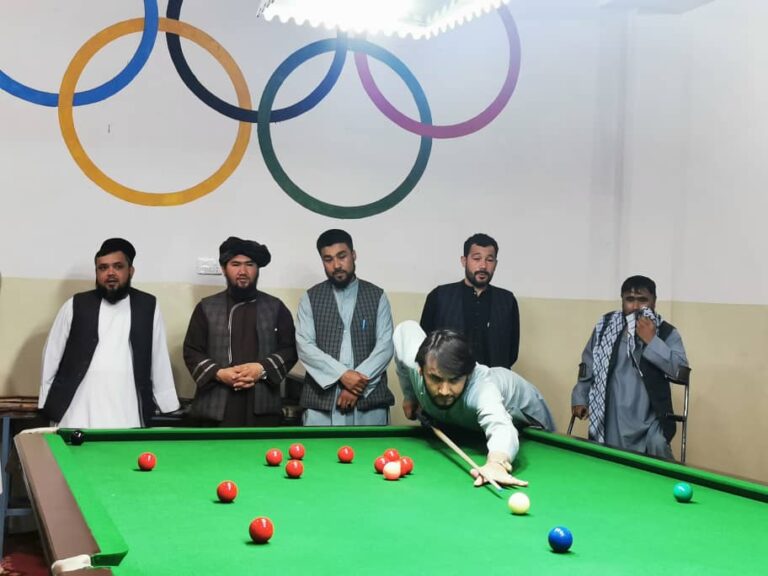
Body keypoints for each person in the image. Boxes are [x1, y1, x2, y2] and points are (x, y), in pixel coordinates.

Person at [394, 320, 555, 487]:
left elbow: (501, 426)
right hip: (473, 422)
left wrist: (497, 463)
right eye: (435, 379)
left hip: (524, 413)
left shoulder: (482, 389)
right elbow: (405, 329)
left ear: (468, 375)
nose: (444, 391)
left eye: (454, 380)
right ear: (420, 370)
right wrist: (410, 395)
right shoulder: (414, 361)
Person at [39, 238, 179, 428]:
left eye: (118, 266)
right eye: (103, 268)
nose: (110, 273)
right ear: (96, 273)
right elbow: (52, 355)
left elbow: (158, 356)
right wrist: (47, 401)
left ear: (131, 271)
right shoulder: (75, 304)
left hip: (127, 407)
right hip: (76, 409)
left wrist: (166, 402)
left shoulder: (148, 306)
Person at [571, 275, 690, 459]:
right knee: (609, 460)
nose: (635, 306)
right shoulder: (606, 327)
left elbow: (681, 372)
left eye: (642, 300)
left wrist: (652, 341)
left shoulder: (666, 332)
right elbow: (588, 363)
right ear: (622, 301)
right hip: (611, 413)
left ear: (654, 302)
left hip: (650, 419)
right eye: (630, 299)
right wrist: (579, 397)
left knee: (658, 446)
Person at [183, 237, 297, 427]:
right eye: (235, 264)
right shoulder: (206, 307)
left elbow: (290, 349)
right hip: (215, 410)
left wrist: (261, 369)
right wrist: (219, 373)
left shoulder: (276, 307)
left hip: (263, 409)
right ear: (223, 269)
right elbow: (191, 351)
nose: (243, 271)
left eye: (249, 265)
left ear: (257, 269)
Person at [296, 229, 395, 425]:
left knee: (373, 447)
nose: (336, 265)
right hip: (321, 405)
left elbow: (385, 347)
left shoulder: (377, 296)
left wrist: (356, 385)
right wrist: (343, 375)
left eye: (342, 256)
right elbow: (305, 346)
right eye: (328, 259)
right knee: (319, 447)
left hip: (370, 403)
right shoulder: (310, 298)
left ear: (353, 255)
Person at [420, 233, 520, 368]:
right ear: (464, 261)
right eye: (477, 258)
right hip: (448, 377)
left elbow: (511, 352)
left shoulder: (507, 301)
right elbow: (424, 344)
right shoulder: (439, 296)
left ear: (495, 264)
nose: (483, 266)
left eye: (489, 260)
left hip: (493, 378)